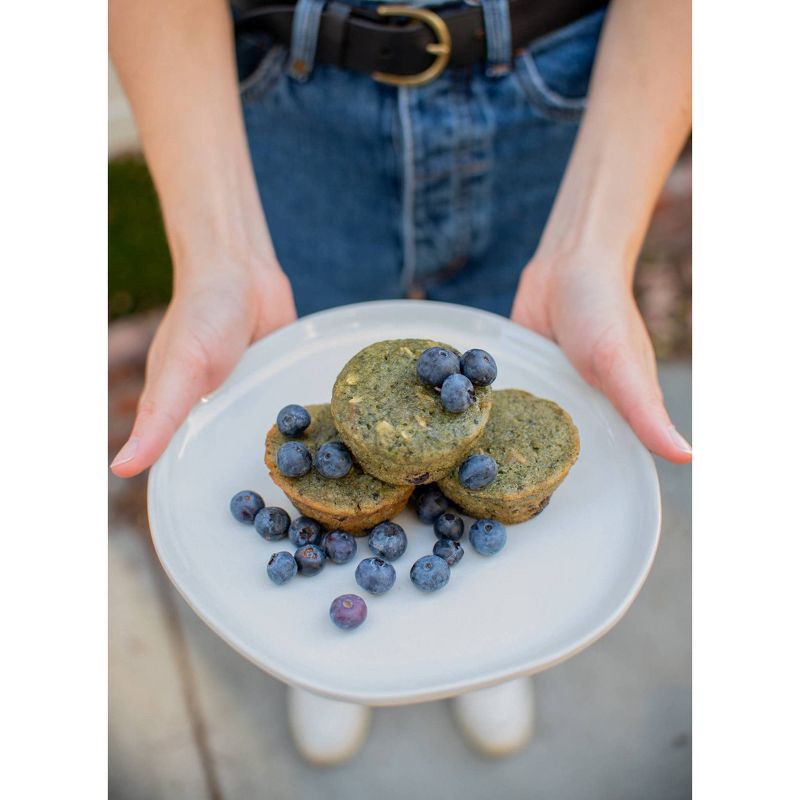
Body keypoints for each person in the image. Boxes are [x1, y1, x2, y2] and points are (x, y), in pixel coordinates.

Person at [110, 0, 691, 763]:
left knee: (514, 341)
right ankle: (324, 650)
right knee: (293, 332)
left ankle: (479, 636)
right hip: (295, 97)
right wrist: (220, 254)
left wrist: (594, 248)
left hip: (560, 88)